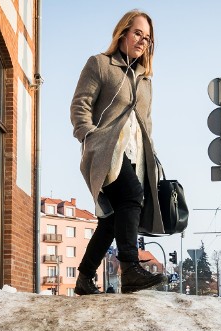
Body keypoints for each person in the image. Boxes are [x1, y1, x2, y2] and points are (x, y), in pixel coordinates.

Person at [70, 10, 166, 295]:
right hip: (105, 152)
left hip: (134, 155)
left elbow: (146, 123)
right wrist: (88, 137)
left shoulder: (145, 79)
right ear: (123, 32)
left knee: (112, 219)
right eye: (137, 33)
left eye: (147, 38)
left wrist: (153, 159)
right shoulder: (100, 64)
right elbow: (80, 104)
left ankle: (85, 277)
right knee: (131, 196)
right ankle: (130, 267)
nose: (142, 41)